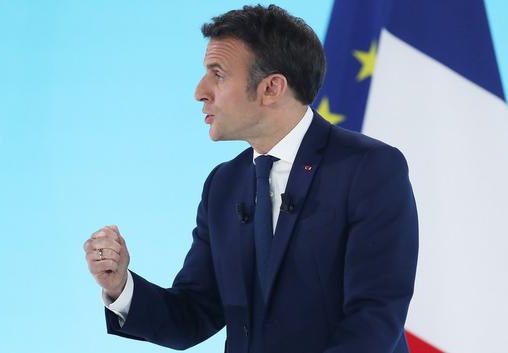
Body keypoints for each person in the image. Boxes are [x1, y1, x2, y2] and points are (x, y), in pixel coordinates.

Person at [83, 5, 418, 353]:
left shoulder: (370, 168)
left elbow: (374, 318)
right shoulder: (224, 185)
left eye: (218, 74)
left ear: (271, 87)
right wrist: (121, 286)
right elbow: (193, 313)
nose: (200, 91)